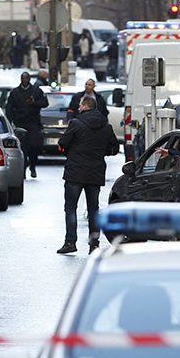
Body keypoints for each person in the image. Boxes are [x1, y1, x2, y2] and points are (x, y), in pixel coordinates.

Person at [57, 96, 119, 255]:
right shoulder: (106, 126)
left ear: (85, 106)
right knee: (94, 209)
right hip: (95, 172)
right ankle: (94, 244)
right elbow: (114, 148)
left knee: (71, 208)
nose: (78, 108)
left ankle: (70, 242)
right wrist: (101, 152)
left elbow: (63, 143)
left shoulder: (76, 124)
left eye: (80, 105)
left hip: (75, 172)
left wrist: (71, 151)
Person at [6, 72, 49, 178]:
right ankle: (23, 169)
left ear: (29, 79)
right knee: (23, 147)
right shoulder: (15, 92)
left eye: (26, 78)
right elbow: (9, 107)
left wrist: (34, 103)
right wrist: (10, 121)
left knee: (34, 146)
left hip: (33, 123)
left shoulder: (36, 91)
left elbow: (45, 103)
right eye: (23, 78)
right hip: (20, 123)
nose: (24, 80)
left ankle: (33, 165)